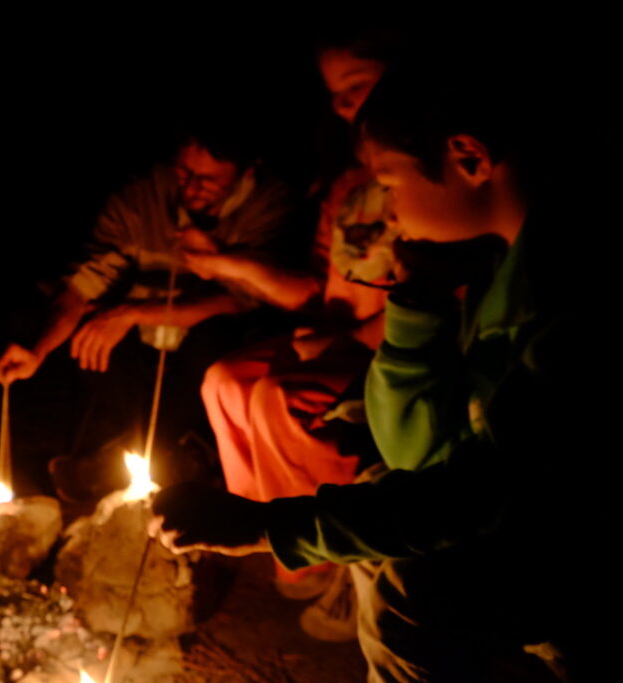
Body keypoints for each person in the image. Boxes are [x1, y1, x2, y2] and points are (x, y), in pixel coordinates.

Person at [151, 52, 604, 681]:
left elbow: (474, 496)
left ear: (469, 159)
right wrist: (416, 308)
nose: (389, 213)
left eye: (390, 185)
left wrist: (265, 525)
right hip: (519, 523)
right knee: (376, 496)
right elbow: (415, 452)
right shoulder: (489, 269)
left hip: (578, 556)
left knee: (412, 585)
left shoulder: (570, 295)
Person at [0, 128, 303, 499]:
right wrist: (37, 350)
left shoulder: (269, 203)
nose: (191, 187)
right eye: (184, 172)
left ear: (245, 171)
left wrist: (135, 311)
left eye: (208, 180)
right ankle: (165, 456)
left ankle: (144, 460)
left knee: (215, 340)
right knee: (90, 334)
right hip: (142, 340)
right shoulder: (141, 197)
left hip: (211, 339)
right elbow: (84, 282)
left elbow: (243, 300)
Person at [195, 33, 397, 612]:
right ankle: (256, 526)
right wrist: (224, 263)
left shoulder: (417, 178)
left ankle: (325, 551)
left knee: (277, 399)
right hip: (339, 336)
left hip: (384, 345)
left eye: (356, 86)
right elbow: (315, 286)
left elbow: (437, 300)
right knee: (224, 381)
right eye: (333, 94)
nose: (342, 104)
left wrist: (344, 338)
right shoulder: (349, 186)